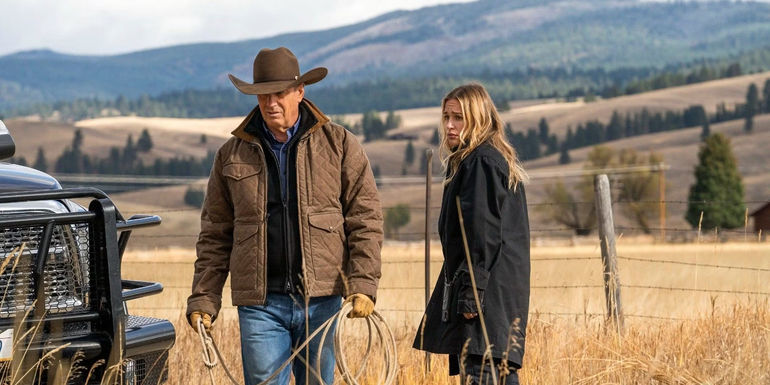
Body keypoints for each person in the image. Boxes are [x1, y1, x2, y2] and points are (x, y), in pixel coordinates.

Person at [186, 47, 383, 385]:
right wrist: (205, 296)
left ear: (300, 92)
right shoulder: (230, 155)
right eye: (263, 94)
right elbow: (216, 233)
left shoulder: (339, 145)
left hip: (322, 301)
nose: (270, 102)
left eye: (279, 93)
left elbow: (365, 219)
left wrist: (363, 283)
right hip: (260, 304)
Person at [413, 83, 530, 385]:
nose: (450, 125)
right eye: (446, 116)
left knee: (484, 372)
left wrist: (470, 296)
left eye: (459, 117)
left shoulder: (481, 162)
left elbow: (481, 234)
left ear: (478, 118)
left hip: (484, 302)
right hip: (493, 300)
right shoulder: (480, 160)